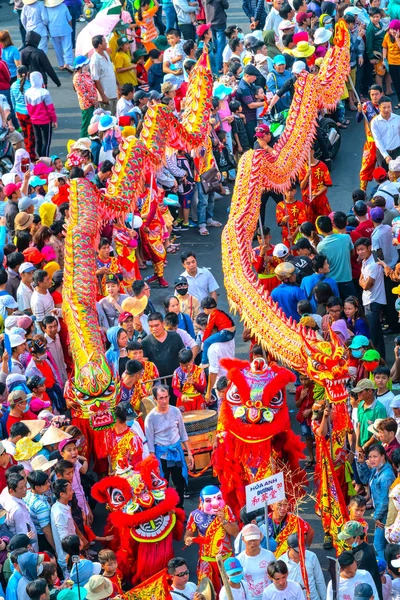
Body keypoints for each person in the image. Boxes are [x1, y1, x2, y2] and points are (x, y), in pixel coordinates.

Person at [145, 385, 193, 507]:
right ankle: (167, 512)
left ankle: (180, 510)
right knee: (162, 486)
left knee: (179, 484)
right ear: (155, 399)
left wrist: (190, 453)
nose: (164, 401)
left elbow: (183, 434)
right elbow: (150, 445)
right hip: (162, 455)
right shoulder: (150, 418)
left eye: (166, 397)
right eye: (161, 398)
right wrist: (153, 463)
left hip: (176, 451)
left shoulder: (175, 411)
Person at [185, 485, 238, 595]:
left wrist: (223, 520)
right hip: (207, 561)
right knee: (207, 593)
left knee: (232, 592)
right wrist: (188, 540)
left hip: (226, 558)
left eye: (218, 498)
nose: (215, 503)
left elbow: (236, 533)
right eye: (209, 500)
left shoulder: (226, 510)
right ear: (201, 500)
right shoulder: (194, 515)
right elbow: (187, 535)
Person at [357, 445, 395, 558]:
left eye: (375, 456)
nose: (372, 459)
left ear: (383, 456)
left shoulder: (386, 476)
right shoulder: (377, 468)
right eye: (370, 457)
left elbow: (384, 501)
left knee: (378, 545)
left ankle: (385, 572)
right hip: (381, 513)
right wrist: (362, 464)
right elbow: (365, 479)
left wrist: (376, 517)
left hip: (384, 514)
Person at [354, 237, 386, 358]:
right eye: (358, 250)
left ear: (369, 248)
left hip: (373, 301)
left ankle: (375, 358)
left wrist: (362, 282)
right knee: (377, 332)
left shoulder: (373, 264)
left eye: (362, 249)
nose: (360, 252)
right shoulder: (365, 261)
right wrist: (362, 281)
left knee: (373, 333)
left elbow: (366, 285)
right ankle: (380, 357)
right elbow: (362, 279)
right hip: (369, 300)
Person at [337, 521, 383, 598]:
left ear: (357, 538)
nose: (345, 541)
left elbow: (355, 579)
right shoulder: (365, 547)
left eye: (348, 538)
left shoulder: (362, 557)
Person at [316, 215, 356, 299]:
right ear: (332, 224)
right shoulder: (346, 237)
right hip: (347, 279)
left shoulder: (320, 246)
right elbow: (352, 253)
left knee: (336, 309)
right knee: (352, 306)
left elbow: (323, 263)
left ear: (320, 230)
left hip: (331, 282)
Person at [280, 533, 326, 600]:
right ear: (289, 548)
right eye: (298, 551)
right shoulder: (281, 562)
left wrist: (325, 598)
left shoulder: (312, 556)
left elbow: (319, 580)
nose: (302, 552)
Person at [237, 523, 275, 600]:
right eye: (249, 540)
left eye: (255, 539)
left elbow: (276, 576)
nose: (253, 543)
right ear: (243, 539)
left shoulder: (269, 555)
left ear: (260, 537)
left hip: (269, 597)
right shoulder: (239, 560)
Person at [1, 473, 38, 550]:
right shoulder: (18, 510)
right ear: (11, 490)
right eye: (21, 488)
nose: (25, 489)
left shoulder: (6, 492)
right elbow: (23, 534)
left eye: (25, 485)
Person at [24, 72, 57, 158]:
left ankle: (39, 157)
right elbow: (50, 108)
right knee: (46, 141)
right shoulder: (44, 92)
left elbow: (27, 107)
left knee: (38, 140)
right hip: (45, 120)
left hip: (34, 120)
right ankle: (45, 159)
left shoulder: (27, 92)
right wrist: (54, 120)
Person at [105, 402, 143, 473]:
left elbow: (137, 465)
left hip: (130, 478)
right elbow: (109, 455)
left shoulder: (133, 438)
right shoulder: (109, 434)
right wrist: (111, 471)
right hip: (114, 477)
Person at [24, 470, 55, 553]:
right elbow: (46, 531)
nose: (49, 484)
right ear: (37, 487)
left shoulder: (27, 494)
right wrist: (55, 547)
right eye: (45, 483)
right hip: (44, 539)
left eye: (48, 481)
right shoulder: (41, 506)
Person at [200, 296, 236, 368]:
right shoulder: (219, 311)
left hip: (225, 332)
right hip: (232, 332)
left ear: (206, 309)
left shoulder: (212, 314)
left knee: (207, 342)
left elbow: (208, 328)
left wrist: (203, 341)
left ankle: (204, 362)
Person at [354, 379, 387, 453]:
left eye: (360, 392)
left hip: (374, 450)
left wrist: (365, 446)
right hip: (361, 449)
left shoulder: (380, 409)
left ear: (370, 391)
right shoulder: (360, 405)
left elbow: (379, 432)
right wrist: (357, 445)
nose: (358, 394)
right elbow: (359, 426)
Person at [236, 64, 265, 146]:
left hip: (252, 116)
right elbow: (250, 105)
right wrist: (266, 103)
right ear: (247, 76)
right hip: (248, 118)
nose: (255, 78)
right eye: (254, 76)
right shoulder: (243, 88)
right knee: (252, 140)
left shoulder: (250, 84)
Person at [50, 479, 75, 575]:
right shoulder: (59, 513)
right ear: (62, 494)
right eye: (70, 490)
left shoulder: (61, 506)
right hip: (67, 556)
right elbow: (65, 539)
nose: (72, 492)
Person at [90, 35, 118, 114]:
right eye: (104, 42)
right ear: (99, 45)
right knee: (108, 119)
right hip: (106, 96)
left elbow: (111, 71)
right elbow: (96, 80)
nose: (106, 43)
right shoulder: (95, 60)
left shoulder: (105, 53)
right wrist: (103, 96)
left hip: (113, 93)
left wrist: (118, 85)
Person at [371, 96, 400, 167]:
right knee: (383, 176)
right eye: (384, 107)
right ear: (379, 107)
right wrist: (386, 155)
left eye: (388, 107)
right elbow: (377, 140)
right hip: (382, 153)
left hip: (397, 152)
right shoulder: (375, 122)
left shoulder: (397, 119)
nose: (387, 110)